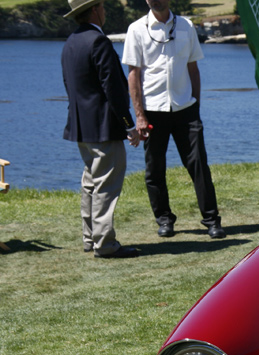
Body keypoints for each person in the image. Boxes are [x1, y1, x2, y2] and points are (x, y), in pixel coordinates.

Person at [122, 0, 225, 239]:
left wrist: (196, 105)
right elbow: (133, 76)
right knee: (154, 169)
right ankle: (165, 220)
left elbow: (193, 69)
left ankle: (212, 220)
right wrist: (139, 115)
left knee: (199, 165)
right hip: (152, 111)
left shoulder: (186, 26)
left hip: (185, 108)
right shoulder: (136, 29)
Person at [61, 0, 142, 259]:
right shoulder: (99, 42)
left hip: (81, 127)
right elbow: (114, 90)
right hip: (104, 127)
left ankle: (89, 237)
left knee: (90, 183)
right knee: (106, 185)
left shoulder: (71, 42)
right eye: (103, 6)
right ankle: (105, 243)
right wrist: (129, 125)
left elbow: (70, 86)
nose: (105, 10)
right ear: (95, 9)